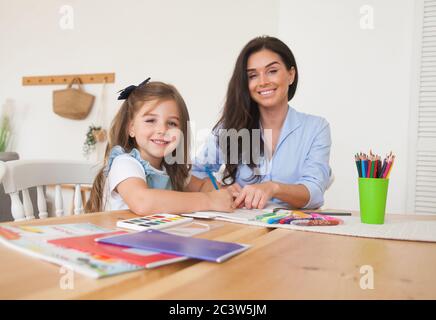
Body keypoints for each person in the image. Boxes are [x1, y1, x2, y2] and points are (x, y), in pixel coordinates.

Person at [192, 36, 331, 210]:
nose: (263, 82)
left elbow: (315, 192)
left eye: (272, 71)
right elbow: (193, 173)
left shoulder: (316, 128)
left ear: (290, 75)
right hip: (241, 227)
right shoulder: (232, 127)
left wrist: (273, 188)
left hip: (292, 230)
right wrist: (220, 190)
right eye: (252, 75)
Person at [86, 78, 234, 215]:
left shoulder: (172, 169)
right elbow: (142, 202)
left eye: (172, 123)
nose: (162, 130)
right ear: (131, 128)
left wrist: (223, 193)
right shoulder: (125, 163)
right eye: (150, 120)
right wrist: (209, 200)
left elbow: (202, 186)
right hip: (119, 240)